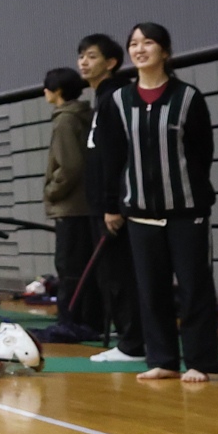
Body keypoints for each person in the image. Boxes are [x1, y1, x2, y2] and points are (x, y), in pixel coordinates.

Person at [93, 22, 218, 383]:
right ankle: (163, 359)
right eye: (134, 43)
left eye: (148, 42)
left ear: (165, 51)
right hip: (140, 214)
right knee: (151, 290)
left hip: (187, 212)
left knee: (194, 288)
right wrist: (112, 205)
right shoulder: (117, 101)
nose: (139, 49)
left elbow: (202, 153)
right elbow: (111, 157)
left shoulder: (188, 97)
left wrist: (192, 193)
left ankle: (199, 361)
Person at [76, 33, 143, 362]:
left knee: (120, 274)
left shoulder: (116, 96)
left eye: (91, 56)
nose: (83, 62)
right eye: (81, 56)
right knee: (111, 274)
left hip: (114, 206)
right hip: (101, 204)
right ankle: (129, 335)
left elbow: (115, 156)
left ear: (111, 62)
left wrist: (112, 204)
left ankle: (133, 343)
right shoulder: (101, 98)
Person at [42, 68, 103, 338]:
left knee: (69, 268)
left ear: (57, 91)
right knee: (83, 267)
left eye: (47, 87)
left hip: (71, 207)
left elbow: (70, 165)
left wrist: (52, 191)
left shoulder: (65, 120)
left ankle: (70, 323)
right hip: (86, 205)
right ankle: (88, 321)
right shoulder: (84, 115)